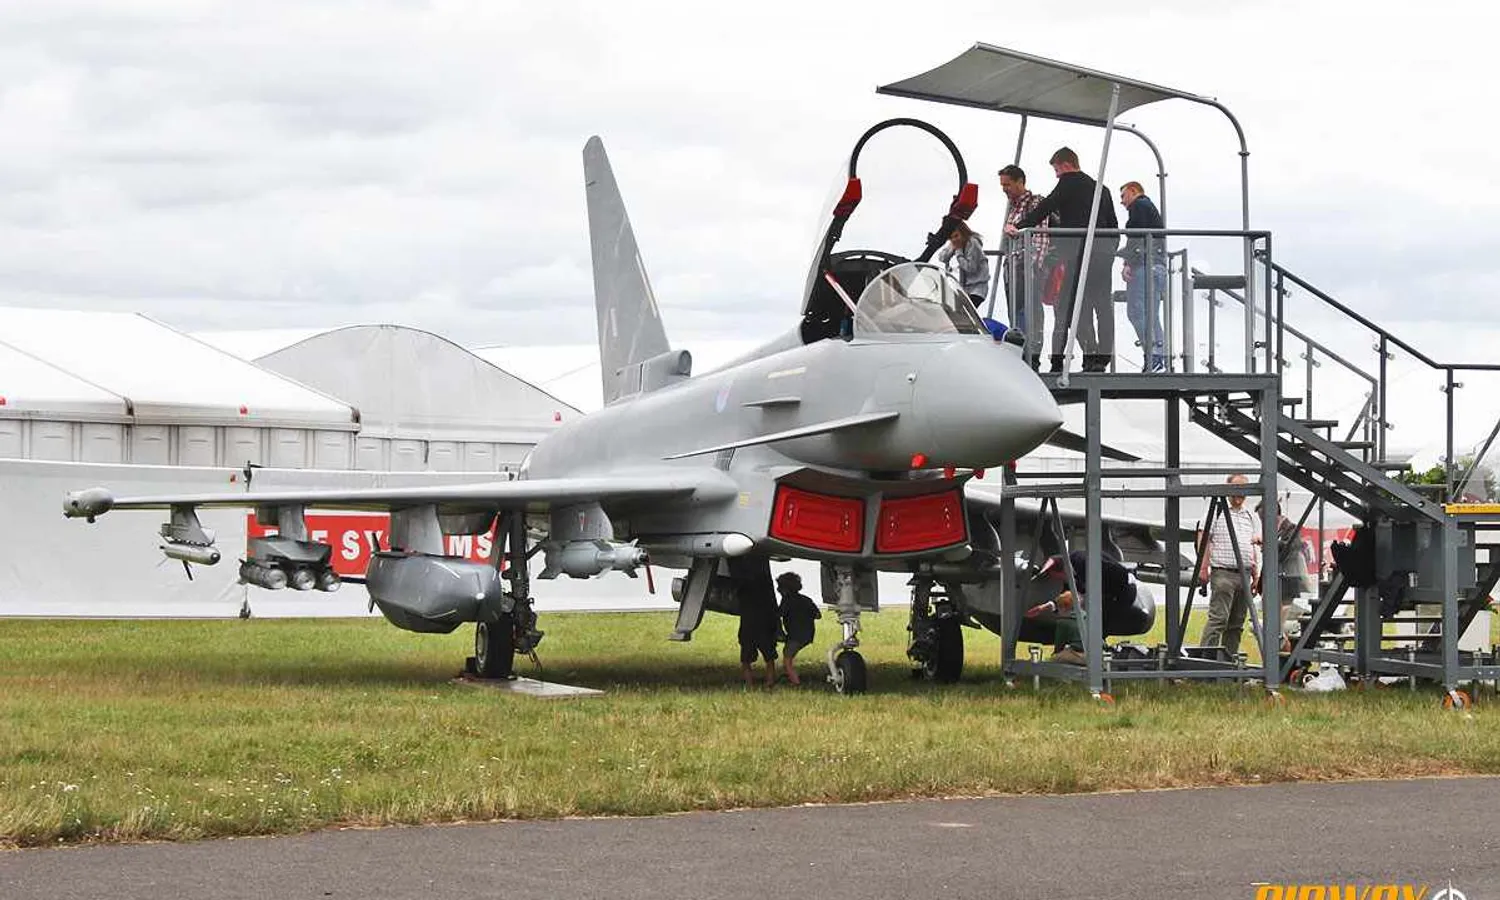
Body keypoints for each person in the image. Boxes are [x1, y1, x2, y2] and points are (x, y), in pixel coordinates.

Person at [1006, 147, 1119, 373]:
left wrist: (1017, 227)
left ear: (1066, 165)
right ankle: (1100, 358)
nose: (1056, 175)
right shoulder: (1102, 189)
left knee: (1070, 307)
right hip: (1102, 255)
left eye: (1056, 170)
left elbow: (1045, 207)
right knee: (1102, 306)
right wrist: (1110, 252)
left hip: (1077, 255)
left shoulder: (1069, 182)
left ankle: (1081, 356)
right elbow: (1113, 225)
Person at [1025, 550, 1142, 665]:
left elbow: (1119, 573)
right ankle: (1094, 658)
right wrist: (1044, 607)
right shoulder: (1071, 570)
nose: (1060, 580)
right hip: (1106, 594)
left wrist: (1095, 594)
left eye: (1059, 577)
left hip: (1122, 591)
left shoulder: (1083, 562)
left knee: (1099, 623)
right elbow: (1066, 596)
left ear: (1064, 570)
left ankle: (1099, 661)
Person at [1196, 474, 1262, 657]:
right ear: (1228, 489)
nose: (1239, 493)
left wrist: (1256, 575)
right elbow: (1204, 537)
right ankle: (1205, 661)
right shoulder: (1217, 511)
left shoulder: (1251, 516)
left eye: (1243, 489)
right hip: (1223, 572)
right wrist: (1203, 568)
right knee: (1219, 619)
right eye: (1236, 488)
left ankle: (1228, 662)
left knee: (1237, 622)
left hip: (1245, 574)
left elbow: (1253, 546)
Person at [998, 164, 1055, 368]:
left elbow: (1040, 237)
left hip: (1027, 266)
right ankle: (1019, 350)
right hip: (1013, 267)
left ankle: (1032, 355)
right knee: (1016, 310)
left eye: (1008, 184)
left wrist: (1033, 267)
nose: (1005, 189)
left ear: (1020, 182)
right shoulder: (1013, 206)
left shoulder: (1034, 203)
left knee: (1029, 311)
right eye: (1003, 185)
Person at [1118, 181, 1169, 373]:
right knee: (1152, 314)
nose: (1122, 202)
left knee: (1137, 312)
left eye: (1123, 196)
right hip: (1157, 266)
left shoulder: (1138, 206)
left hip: (1145, 265)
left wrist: (1128, 262)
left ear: (1133, 191)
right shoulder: (1150, 207)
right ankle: (1159, 357)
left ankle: (1153, 356)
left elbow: (1136, 236)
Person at [734, 559, 780, 688]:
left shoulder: (744, 594)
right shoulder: (766, 596)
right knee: (769, 658)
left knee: (746, 660)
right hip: (765, 628)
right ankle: (769, 681)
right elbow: (773, 610)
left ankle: (749, 684)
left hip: (748, 629)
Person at [775, 571, 821, 685]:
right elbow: (818, 615)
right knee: (788, 653)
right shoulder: (806, 599)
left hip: (795, 635)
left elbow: (779, 614)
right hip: (808, 634)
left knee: (787, 659)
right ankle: (791, 676)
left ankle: (795, 682)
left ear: (784, 588)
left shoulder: (786, 600)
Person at [935, 220, 990, 311]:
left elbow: (971, 268)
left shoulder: (973, 243)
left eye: (956, 236)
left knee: (964, 312)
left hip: (977, 288)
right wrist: (953, 247)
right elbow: (942, 258)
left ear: (963, 233)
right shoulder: (955, 243)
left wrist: (958, 251)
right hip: (963, 289)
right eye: (951, 238)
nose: (954, 239)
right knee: (954, 314)